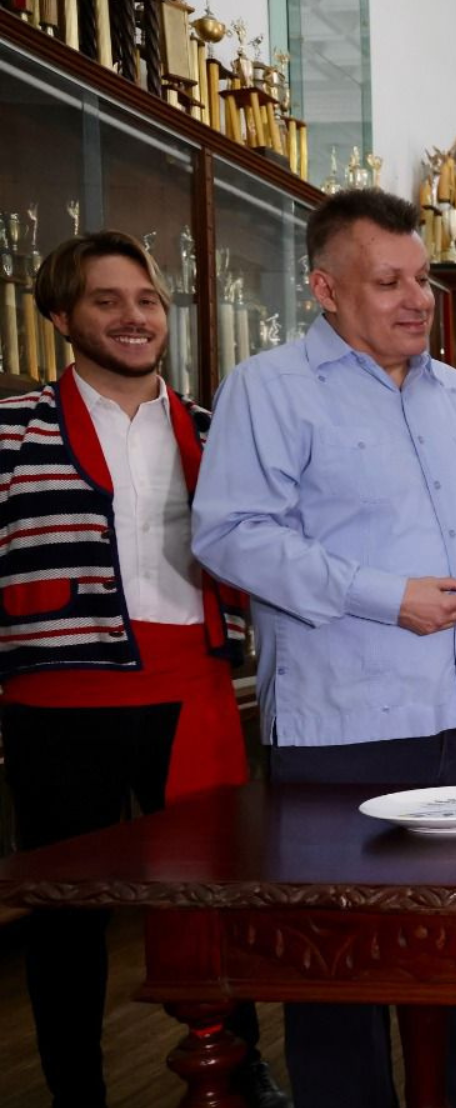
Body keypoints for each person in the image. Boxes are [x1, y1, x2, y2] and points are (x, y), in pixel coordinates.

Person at [191, 189, 456, 1108]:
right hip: (339, 729)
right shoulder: (269, 388)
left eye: (423, 279)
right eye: (389, 281)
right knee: (339, 973)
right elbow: (230, 536)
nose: (418, 298)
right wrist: (386, 599)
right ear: (326, 288)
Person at [0, 232, 287, 1108]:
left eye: (147, 301)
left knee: (210, 899)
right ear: (61, 317)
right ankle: (74, 1089)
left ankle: (241, 1064)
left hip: (193, 688)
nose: (134, 318)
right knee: (66, 916)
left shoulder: (213, 427)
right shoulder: (12, 428)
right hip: (57, 699)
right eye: (107, 301)